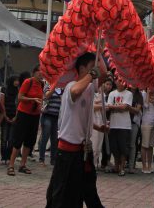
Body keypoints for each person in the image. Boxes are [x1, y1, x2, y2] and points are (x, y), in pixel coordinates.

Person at [45, 52, 108, 208]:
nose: (95, 70)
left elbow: (105, 73)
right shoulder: (70, 87)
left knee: (87, 190)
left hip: (83, 150)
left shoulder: (90, 86)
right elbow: (75, 92)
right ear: (81, 68)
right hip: (67, 151)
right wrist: (92, 74)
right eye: (91, 67)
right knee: (61, 194)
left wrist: (99, 52)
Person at [8, 65, 44, 176]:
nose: (41, 74)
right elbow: (20, 97)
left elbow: (42, 98)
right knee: (18, 140)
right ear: (34, 72)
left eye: (43, 72)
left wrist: (40, 105)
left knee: (29, 140)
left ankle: (23, 165)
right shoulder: (28, 82)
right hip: (24, 114)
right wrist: (32, 99)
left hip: (35, 115)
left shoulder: (41, 84)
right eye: (39, 71)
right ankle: (11, 165)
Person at [106, 78, 133, 176]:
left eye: (122, 81)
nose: (119, 82)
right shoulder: (112, 94)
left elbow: (125, 107)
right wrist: (118, 107)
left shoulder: (128, 94)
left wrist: (114, 107)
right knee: (114, 147)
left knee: (123, 148)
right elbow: (108, 107)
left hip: (124, 125)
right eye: (118, 80)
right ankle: (116, 166)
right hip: (113, 124)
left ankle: (122, 167)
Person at [38, 83, 62, 167]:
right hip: (47, 115)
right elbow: (47, 96)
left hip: (57, 117)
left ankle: (53, 160)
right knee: (45, 136)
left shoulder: (62, 87)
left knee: (55, 139)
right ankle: (41, 159)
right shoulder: (48, 85)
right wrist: (54, 87)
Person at [91, 76, 110, 169]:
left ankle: (95, 164)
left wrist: (99, 104)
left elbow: (106, 107)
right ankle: (91, 165)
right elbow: (91, 107)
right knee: (93, 146)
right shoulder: (90, 93)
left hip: (101, 121)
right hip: (93, 122)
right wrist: (100, 104)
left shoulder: (102, 95)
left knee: (98, 147)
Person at [0, 74, 20, 165]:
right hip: (5, 117)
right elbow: (2, 104)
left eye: (18, 80)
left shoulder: (18, 90)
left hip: (14, 117)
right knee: (4, 138)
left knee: (11, 139)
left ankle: (9, 157)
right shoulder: (4, 89)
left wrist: (16, 116)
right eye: (15, 80)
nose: (17, 82)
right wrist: (5, 116)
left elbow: (19, 105)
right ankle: (3, 156)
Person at [140, 89, 154, 174]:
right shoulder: (143, 94)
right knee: (144, 145)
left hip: (153, 122)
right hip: (146, 123)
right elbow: (145, 105)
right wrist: (148, 94)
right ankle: (144, 166)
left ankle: (150, 165)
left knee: (150, 146)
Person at [127, 87, 143, 173]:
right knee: (124, 143)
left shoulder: (139, 95)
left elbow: (137, 110)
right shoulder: (126, 92)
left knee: (132, 144)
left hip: (134, 122)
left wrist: (127, 107)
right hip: (124, 121)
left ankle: (131, 165)